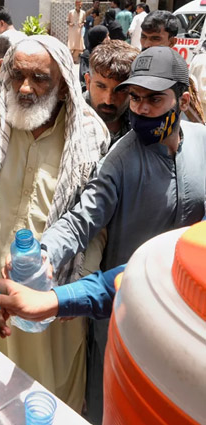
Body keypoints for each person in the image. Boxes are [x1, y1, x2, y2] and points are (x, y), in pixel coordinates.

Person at [0, 36, 111, 409]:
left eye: (40, 78)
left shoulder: (89, 136)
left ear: (64, 84)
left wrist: (74, 291)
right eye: (17, 75)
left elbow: (95, 223)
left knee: (49, 398)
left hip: (54, 294)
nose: (26, 88)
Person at [37, 46, 206, 424]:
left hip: (189, 318)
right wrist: (46, 251)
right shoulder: (122, 157)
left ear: (184, 99)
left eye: (154, 99)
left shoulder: (203, 143)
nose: (141, 109)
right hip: (122, 311)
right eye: (135, 98)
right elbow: (83, 217)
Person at [140, 10, 205, 124]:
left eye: (155, 38)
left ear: (172, 42)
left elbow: (194, 119)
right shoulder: (131, 68)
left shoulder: (182, 78)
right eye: (143, 37)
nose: (146, 44)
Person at [84, 40, 139, 145]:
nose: (108, 100)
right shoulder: (67, 120)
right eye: (101, 86)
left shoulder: (141, 121)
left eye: (120, 90)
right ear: (88, 81)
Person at [79, 25, 109, 92]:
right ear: (99, 38)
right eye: (106, 36)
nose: (109, 38)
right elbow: (84, 77)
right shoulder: (87, 55)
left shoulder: (107, 53)